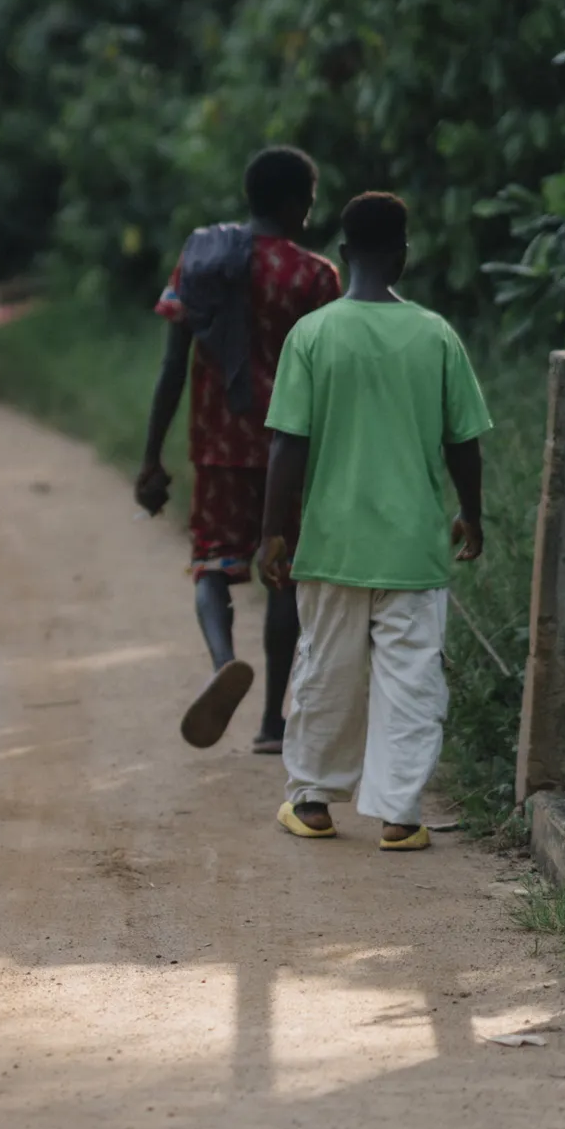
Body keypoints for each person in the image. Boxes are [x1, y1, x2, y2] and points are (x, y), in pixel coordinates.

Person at [258, 191, 492, 850]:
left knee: (325, 670)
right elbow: (463, 441)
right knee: (411, 679)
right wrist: (470, 514)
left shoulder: (314, 334)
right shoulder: (436, 334)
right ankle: (400, 815)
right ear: (404, 257)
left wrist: (275, 532)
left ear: (341, 255)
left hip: (331, 543)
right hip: (414, 549)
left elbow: (287, 445)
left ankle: (311, 802)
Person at [137, 147, 341, 752]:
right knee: (283, 574)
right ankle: (273, 725)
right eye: (308, 201)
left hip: (217, 442)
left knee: (212, 565)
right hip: (291, 451)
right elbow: (330, 376)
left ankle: (224, 661)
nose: (310, 212)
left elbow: (173, 365)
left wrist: (152, 455)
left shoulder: (202, 260)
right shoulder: (315, 276)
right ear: (292, 203)